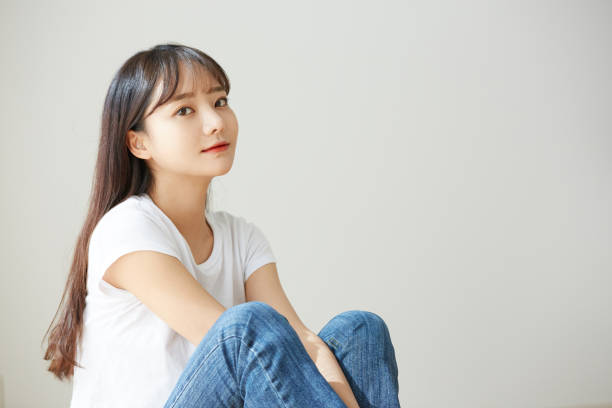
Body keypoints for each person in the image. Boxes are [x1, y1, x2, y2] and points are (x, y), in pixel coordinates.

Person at [42, 43, 400, 408]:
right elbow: (234, 338)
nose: (215, 123)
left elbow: (301, 341)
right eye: (184, 110)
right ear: (139, 142)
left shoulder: (242, 239)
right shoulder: (126, 229)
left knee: (361, 330)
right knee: (247, 327)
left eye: (220, 102)